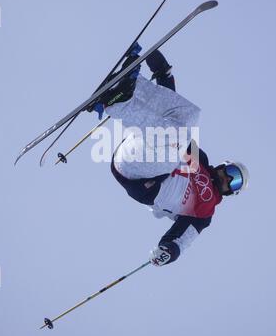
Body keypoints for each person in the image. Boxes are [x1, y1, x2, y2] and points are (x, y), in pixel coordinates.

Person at [92, 43, 249, 267]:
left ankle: (117, 103)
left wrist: (169, 251)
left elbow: (183, 239)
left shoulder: (204, 212)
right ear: (224, 166)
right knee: (191, 116)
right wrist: (165, 77)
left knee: (176, 146)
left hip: (141, 178)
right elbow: (173, 123)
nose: (228, 179)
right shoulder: (200, 160)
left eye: (234, 183)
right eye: (232, 173)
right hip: (136, 148)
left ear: (231, 193)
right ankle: (131, 84)